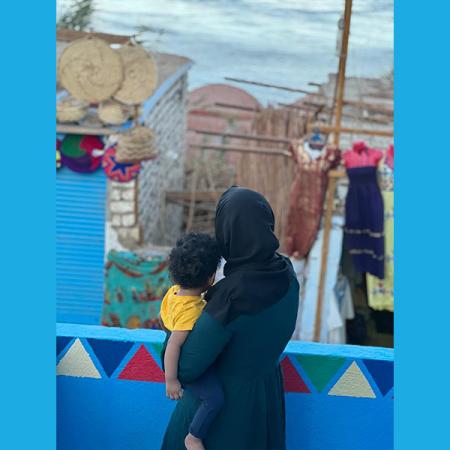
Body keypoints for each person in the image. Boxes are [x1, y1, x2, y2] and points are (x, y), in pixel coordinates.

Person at [161, 186, 300, 450]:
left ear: (227, 232)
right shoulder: (286, 273)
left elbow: (185, 368)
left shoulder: (230, 298)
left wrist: (173, 320)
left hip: (222, 415)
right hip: (264, 399)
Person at [159, 233, 223, 450]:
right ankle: (194, 436)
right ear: (210, 277)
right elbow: (174, 345)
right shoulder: (192, 311)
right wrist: (172, 380)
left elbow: (164, 321)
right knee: (214, 399)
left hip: (177, 357)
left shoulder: (173, 292)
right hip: (181, 366)